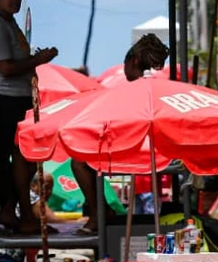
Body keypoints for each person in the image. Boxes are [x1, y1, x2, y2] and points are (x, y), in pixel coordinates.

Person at [71, 33, 171, 233]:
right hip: (158, 147)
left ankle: (97, 212)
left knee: (79, 161)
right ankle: (100, 210)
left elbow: (129, 127)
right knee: (86, 157)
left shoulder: (133, 89)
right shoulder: (160, 85)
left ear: (133, 61)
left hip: (140, 148)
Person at [0, 0, 58, 234]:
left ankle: (17, 209)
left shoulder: (10, 23)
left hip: (20, 98)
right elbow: (5, 68)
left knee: (26, 156)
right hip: (7, 99)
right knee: (20, 155)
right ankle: (16, 210)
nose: (14, 0)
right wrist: (38, 61)